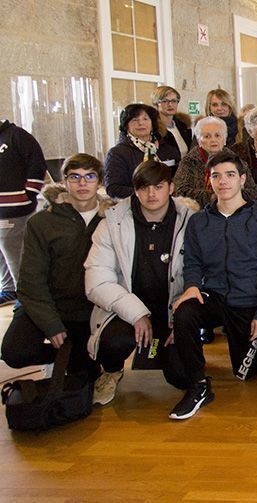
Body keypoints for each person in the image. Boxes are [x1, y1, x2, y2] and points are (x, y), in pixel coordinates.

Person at [167, 150, 257, 420]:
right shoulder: (199, 221)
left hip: (246, 302)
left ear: (242, 179)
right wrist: (192, 285)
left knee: (245, 373)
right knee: (185, 312)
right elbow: (192, 262)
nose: (223, 181)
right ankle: (199, 385)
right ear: (210, 181)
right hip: (214, 296)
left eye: (229, 175)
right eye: (216, 176)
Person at [84, 160, 199, 405]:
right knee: (113, 342)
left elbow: (201, 273)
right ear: (135, 191)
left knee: (182, 376)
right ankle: (112, 371)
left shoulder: (191, 221)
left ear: (171, 187)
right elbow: (96, 281)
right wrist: (136, 314)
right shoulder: (112, 223)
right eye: (144, 188)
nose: (151, 194)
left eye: (158, 187)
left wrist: (183, 322)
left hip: (172, 309)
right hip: (126, 311)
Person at [0, 154, 108, 382]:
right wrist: (50, 324)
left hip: (87, 308)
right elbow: (30, 281)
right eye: (74, 177)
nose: (82, 183)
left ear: (100, 181)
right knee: (14, 351)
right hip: (45, 303)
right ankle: (60, 357)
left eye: (89, 177)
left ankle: (74, 357)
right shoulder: (41, 222)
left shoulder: (111, 220)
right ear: (64, 182)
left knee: (85, 373)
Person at [0, 119, 46, 306]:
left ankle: (25, 295)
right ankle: (9, 289)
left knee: (14, 251)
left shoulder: (16, 135)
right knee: (3, 251)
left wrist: (29, 193)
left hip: (15, 208)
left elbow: (37, 164)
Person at [174, 116, 257, 209]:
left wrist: (228, 195)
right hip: (198, 212)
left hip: (235, 212)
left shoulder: (237, 161)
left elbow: (254, 194)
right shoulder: (189, 162)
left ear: (225, 139)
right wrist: (214, 196)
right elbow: (180, 193)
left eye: (217, 135)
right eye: (207, 136)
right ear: (199, 141)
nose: (213, 140)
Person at [104, 103, 180, 198]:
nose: (141, 123)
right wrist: (146, 194)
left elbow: (179, 179)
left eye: (145, 119)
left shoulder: (167, 148)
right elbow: (113, 188)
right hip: (133, 204)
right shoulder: (117, 153)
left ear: (152, 124)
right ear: (126, 126)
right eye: (135, 120)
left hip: (169, 202)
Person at [152, 85, 193, 159]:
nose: (170, 104)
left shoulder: (183, 126)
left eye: (174, 101)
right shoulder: (153, 129)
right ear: (156, 103)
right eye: (165, 101)